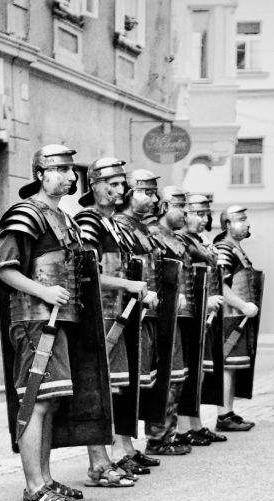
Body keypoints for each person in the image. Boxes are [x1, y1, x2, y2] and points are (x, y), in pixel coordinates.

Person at [0, 145, 114, 501]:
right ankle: (34, 485)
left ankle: (45, 479)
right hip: (34, 319)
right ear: (40, 174)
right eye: (59, 169)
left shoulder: (65, 218)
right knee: (36, 400)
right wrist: (43, 291)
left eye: (70, 170)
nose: (68, 176)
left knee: (51, 400)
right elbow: (1, 266)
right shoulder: (26, 213)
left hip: (60, 320)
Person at [75, 158, 155, 484]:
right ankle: (98, 461)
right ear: (93, 185)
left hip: (118, 316)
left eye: (123, 184)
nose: (120, 189)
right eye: (112, 183)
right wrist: (129, 285)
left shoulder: (113, 225)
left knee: (115, 388)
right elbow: (86, 271)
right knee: (97, 388)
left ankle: (119, 452)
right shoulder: (88, 221)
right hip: (98, 316)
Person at [109, 170, 188, 459]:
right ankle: (121, 450)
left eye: (155, 193)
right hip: (128, 313)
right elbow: (119, 269)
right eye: (147, 192)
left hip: (149, 313)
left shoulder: (141, 228)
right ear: (130, 193)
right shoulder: (120, 226)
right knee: (126, 383)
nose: (154, 199)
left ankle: (130, 447)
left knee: (143, 381)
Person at [145, 186, 200, 449]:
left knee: (177, 376)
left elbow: (204, 257)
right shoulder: (154, 234)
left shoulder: (177, 238)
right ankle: (159, 437)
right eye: (181, 207)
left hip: (181, 315)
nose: (186, 213)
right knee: (167, 376)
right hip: (164, 315)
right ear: (165, 206)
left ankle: (169, 433)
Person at [176, 193, 226, 444]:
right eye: (198, 213)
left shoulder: (200, 240)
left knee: (201, 370)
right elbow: (183, 279)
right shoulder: (181, 240)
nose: (204, 219)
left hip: (207, 314)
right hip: (192, 312)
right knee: (189, 371)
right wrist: (204, 302)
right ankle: (182, 428)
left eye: (206, 214)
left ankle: (195, 424)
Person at [214, 206, 262, 432]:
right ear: (227, 224)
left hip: (239, 317)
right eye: (241, 219)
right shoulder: (224, 249)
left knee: (233, 367)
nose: (247, 224)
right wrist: (242, 305)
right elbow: (220, 284)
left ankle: (229, 412)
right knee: (227, 366)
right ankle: (223, 415)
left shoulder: (235, 248)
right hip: (229, 317)